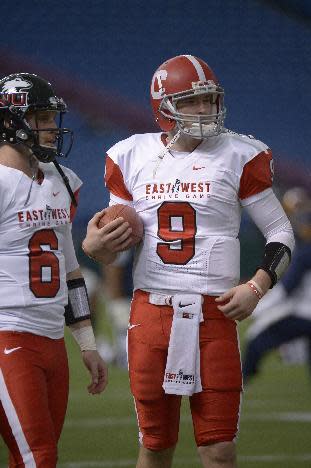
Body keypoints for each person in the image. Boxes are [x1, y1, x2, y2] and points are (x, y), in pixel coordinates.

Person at [82, 55, 295, 468]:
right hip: (151, 314)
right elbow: (112, 246)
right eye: (193, 101)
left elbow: (281, 233)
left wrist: (257, 286)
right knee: (156, 445)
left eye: (210, 100)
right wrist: (94, 245)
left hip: (214, 314)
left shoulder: (240, 154)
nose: (205, 110)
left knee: (219, 451)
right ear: (164, 106)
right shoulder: (131, 154)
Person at [0, 73, 108, 468]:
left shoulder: (59, 181)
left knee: (30, 457)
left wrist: (87, 343)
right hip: (7, 335)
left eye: (51, 118)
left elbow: (71, 272)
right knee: (38, 457)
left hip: (50, 340)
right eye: (41, 118)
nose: (52, 129)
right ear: (11, 120)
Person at [243, 187, 311, 383]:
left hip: (303, 313)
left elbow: (286, 291)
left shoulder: (304, 252)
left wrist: (256, 308)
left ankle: (241, 381)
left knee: (257, 338)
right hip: (299, 307)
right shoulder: (301, 246)